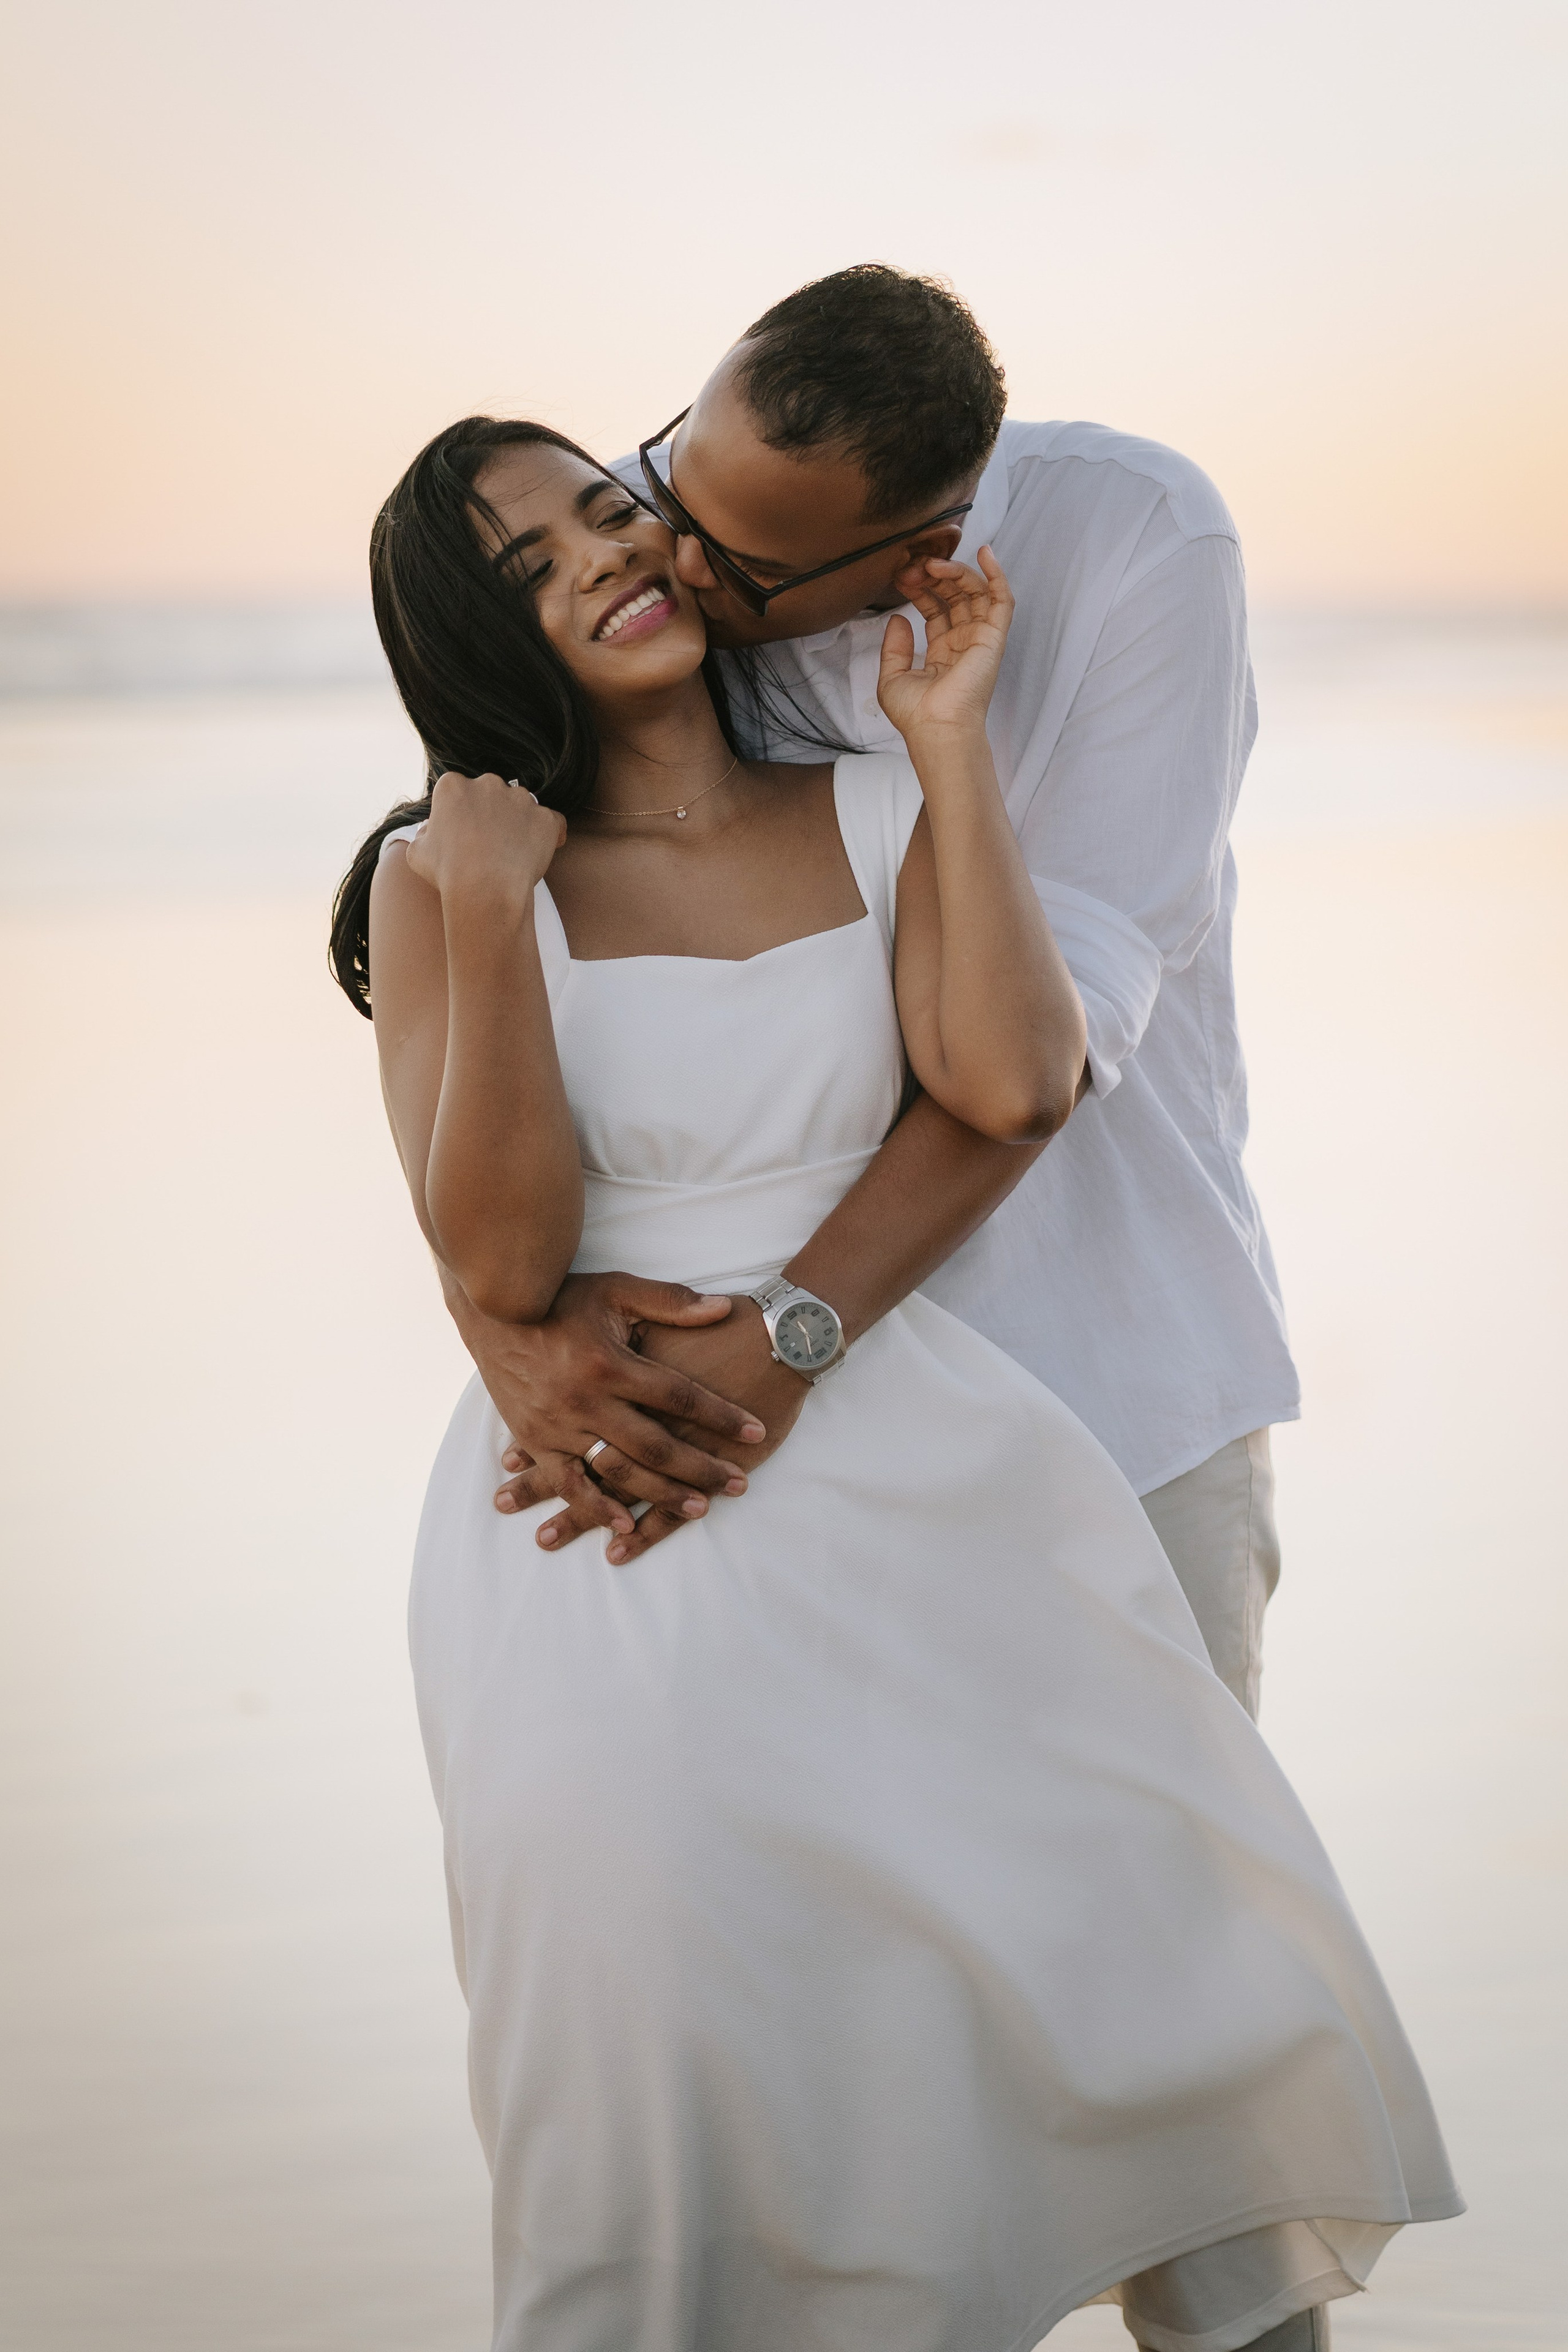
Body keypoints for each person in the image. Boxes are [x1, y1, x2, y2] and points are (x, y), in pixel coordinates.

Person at [330, 416, 1458, 2352]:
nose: (601, 557)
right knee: (673, 2100)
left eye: (607, 511)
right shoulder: (454, 882)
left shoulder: (875, 801)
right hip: (617, 1554)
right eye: (528, 568)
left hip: (936, 1491)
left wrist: (947, 746)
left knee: (1145, 2010)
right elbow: (500, 1259)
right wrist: (497, 903)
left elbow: (1013, 1081)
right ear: (469, 637)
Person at [437, 266, 1296, 1726]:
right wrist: (510, 1334)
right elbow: (491, 913)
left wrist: (791, 1336)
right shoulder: (651, 530)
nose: (671, 566)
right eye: (660, 489)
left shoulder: (1138, 546)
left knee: (1148, 1913)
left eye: (740, 564)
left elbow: (1033, 1068)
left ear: (923, 553)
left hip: (1098, 1380)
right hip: (734, 1455)